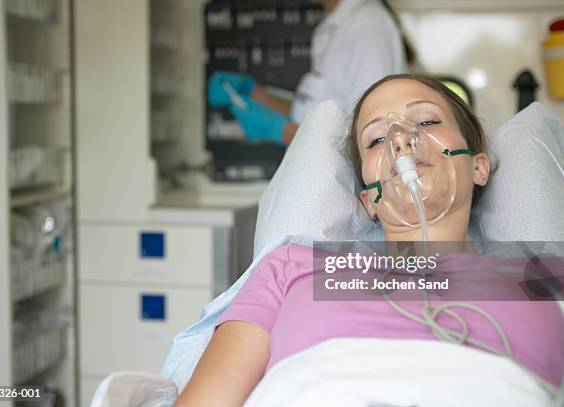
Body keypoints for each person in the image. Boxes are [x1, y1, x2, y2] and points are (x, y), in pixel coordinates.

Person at [174, 74, 564, 406]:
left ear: (479, 166)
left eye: (426, 121)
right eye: (376, 140)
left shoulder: (539, 277)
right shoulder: (292, 267)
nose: (400, 140)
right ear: (369, 200)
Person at [207, 0, 413, 145]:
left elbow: (369, 136)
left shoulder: (367, 25)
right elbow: (316, 116)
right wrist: (253, 93)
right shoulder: (333, 25)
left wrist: (279, 130)